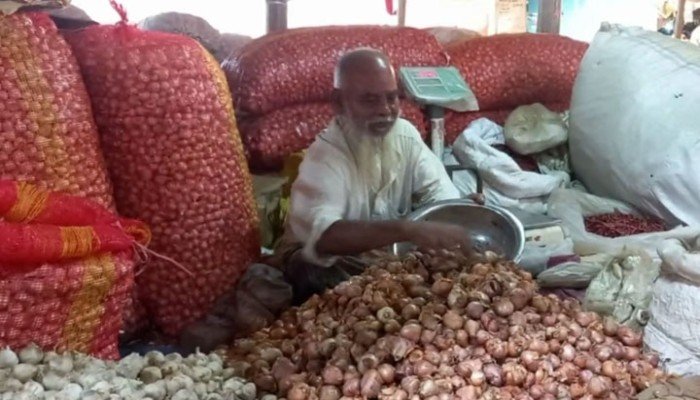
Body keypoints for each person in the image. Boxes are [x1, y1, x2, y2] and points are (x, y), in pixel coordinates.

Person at [273, 48, 475, 304]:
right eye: (370, 100)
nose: (385, 110)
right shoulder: (326, 156)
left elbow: (440, 195)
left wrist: (460, 212)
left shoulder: (405, 136)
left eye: (392, 98)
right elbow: (325, 237)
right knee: (319, 273)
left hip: (384, 257)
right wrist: (406, 229)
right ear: (338, 102)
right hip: (322, 263)